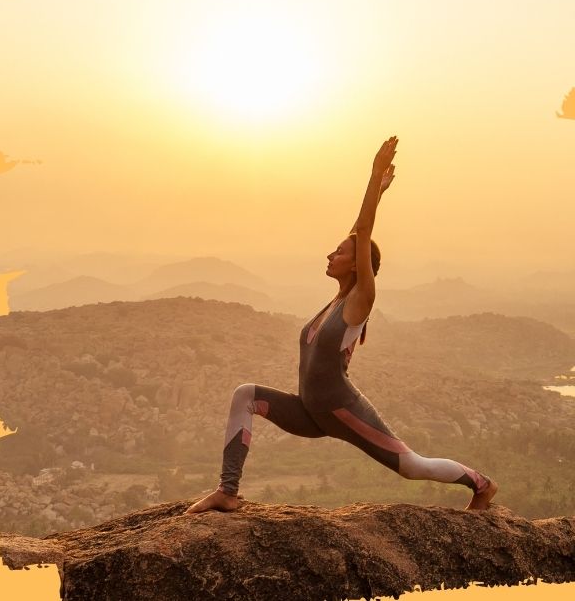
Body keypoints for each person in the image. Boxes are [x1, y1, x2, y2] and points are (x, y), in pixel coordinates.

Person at [186, 137, 497, 515]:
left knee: (413, 466)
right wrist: (379, 192)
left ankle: (481, 484)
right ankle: (227, 491)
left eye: (340, 252)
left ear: (356, 264)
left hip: (344, 411)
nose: (331, 254)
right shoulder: (336, 301)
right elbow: (357, 234)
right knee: (244, 394)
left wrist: (372, 177)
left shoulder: (361, 299)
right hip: (310, 411)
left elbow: (362, 234)